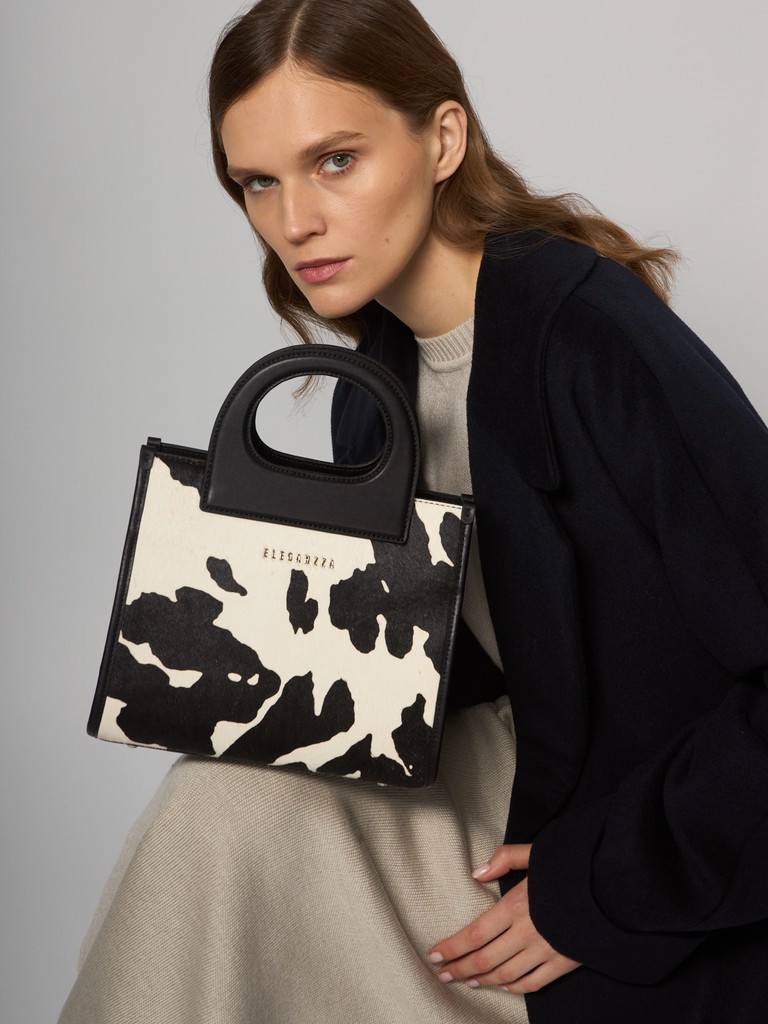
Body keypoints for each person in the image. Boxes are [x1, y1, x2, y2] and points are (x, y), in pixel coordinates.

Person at [59, 1, 768, 1022]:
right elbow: (432, 675)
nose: (294, 221)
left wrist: (597, 888)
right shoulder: (374, 388)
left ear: (442, 140)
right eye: (258, 181)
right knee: (215, 805)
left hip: (647, 828)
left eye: (335, 161)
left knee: (222, 821)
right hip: (508, 778)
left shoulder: (594, 343)